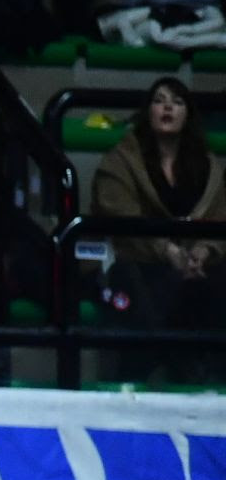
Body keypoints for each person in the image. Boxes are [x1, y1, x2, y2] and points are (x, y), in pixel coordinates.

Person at [89, 77, 226, 359]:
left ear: (188, 115)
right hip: (140, 261)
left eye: (177, 102)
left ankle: (203, 375)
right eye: (159, 101)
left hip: (198, 266)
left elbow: (219, 217)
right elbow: (120, 216)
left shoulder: (207, 164)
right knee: (149, 286)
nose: (168, 107)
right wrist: (167, 251)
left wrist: (204, 251)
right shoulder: (121, 161)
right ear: (147, 111)